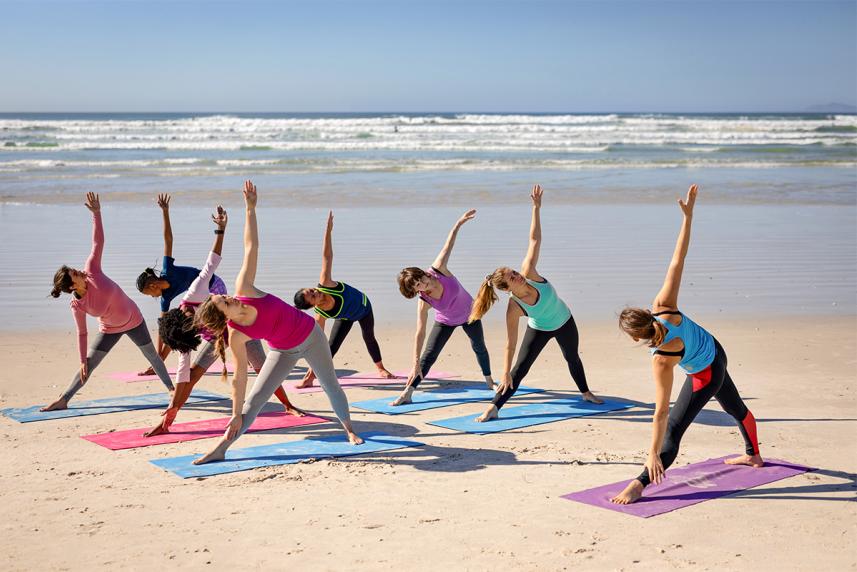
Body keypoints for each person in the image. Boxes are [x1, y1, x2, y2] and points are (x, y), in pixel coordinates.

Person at [610, 184, 763, 505]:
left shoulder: (662, 359)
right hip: (716, 351)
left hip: (705, 371)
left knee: (673, 434)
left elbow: (661, 412)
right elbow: (677, 260)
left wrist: (651, 455)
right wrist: (688, 216)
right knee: (735, 407)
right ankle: (754, 456)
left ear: (637, 338)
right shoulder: (664, 305)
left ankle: (639, 484)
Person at [193, 181, 362, 465]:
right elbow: (239, 378)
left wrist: (250, 209)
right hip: (282, 351)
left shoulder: (244, 288)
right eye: (226, 302)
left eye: (224, 296)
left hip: (310, 337)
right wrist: (235, 412)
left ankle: (349, 429)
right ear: (224, 317)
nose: (231, 298)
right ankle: (223, 446)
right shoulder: (235, 335)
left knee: (330, 384)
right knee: (254, 400)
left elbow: (251, 247)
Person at [143, 204, 303, 438]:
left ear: (185, 313)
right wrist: (170, 415)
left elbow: (211, 263)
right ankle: (168, 421)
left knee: (261, 368)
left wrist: (221, 229)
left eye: (191, 320)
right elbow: (183, 376)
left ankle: (288, 405)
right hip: (218, 334)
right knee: (195, 372)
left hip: (235, 320)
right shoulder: (184, 338)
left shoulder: (195, 293)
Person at [468, 185, 602, 422]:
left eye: (513, 272)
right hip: (539, 329)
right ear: (507, 288)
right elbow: (510, 343)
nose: (517, 275)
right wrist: (505, 370)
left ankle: (586, 393)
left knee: (572, 357)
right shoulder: (514, 307)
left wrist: (536, 208)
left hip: (564, 320)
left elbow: (534, 240)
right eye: (512, 277)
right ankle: (494, 407)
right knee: (518, 371)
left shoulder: (529, 272)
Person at [42, 192, 174, 411]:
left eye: (74, 269)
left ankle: (171, 390)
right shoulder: (78, 306)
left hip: (134, 320)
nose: (77, 270)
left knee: (152, 356)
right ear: (73, 286)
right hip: (109, 329)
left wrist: (96, 213)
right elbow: (82, 333)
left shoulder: (92, 269)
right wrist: (82, 359)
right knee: (89, 365)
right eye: (73, 273)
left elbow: (98, 242)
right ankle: (64, 399)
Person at [390, 210, 493, 406]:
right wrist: (414, 362)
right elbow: (419, 333)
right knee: (428, 357)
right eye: (418, 286)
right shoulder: (424, 300)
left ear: (424, 274)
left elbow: (449, 245)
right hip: (445, 321)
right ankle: (408, 393)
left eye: (421, 280)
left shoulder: (438, 270)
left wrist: (458, 223)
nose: (423, 285)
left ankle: (489, 382)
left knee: (479, 347)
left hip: (471, 314)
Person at [292, 210, 393, 388]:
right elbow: (319, 340)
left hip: (363, 308)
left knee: (369, 337)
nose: (316, 292)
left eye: (312, 290)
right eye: (313, 296)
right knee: (330, 348)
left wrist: (328, 232)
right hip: (345, 317)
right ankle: (310, 378)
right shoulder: (320, 314)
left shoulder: (325, 283)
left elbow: (327, 256)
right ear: (312, 305)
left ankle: (381, 368)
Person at [135, 194, 225, 375]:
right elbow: (164, 330)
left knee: (219, 325)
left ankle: (238, 346)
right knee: (180, 327)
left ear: (153, 286)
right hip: (197, 299)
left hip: (213, 286)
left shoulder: (168, 270)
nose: (152, 297)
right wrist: (158, 361)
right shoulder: (165, 299)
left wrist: (165, 212)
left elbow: (168, 239)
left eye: (149, 293)